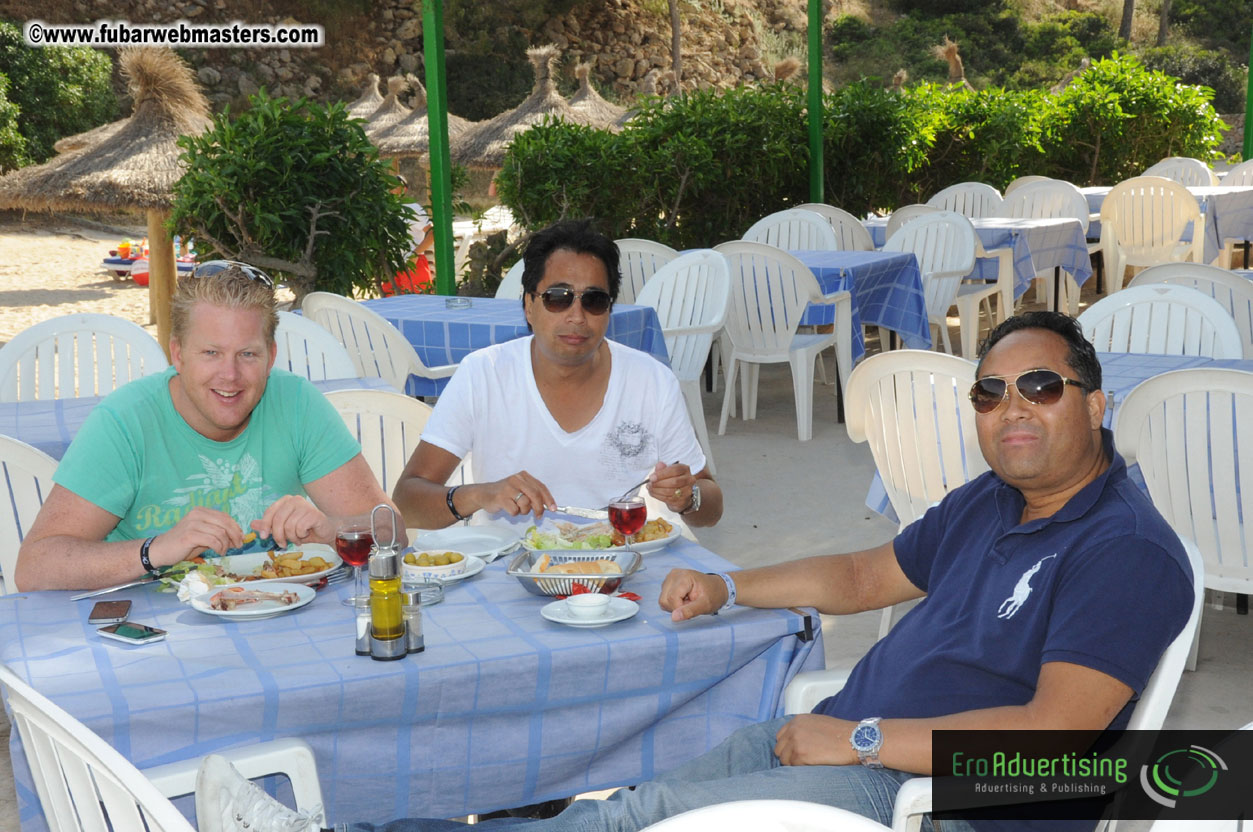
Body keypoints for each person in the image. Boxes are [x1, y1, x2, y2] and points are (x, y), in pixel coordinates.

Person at [229, 311, 1192, 832]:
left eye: (1040, 388)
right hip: (832, 742)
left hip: (921, 803)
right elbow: (863, 576)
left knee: (628, 829)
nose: (1010, 409)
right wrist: (730, 586)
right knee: (630, 807)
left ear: (1095, 404)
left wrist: (859, 740)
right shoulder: (996, 497)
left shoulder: (1125, 551)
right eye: (989, 392)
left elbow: (1052, 744)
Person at [15, 261, 403, 591]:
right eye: (211, 353)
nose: (230, 375)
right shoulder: (126, 421)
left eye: (247, 354)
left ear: (271, 357)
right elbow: (35, 567)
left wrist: (327, 529)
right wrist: (157, 550)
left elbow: (394, 530)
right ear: (178, 354)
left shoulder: (296, 403)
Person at [392, 218, 722, 531]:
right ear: (528, 306)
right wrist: (479, 494)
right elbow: (407, 501)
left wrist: (687, 496)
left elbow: (711, 504)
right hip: (511, 571)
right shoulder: (484, 375)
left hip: (623, 567)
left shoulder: (651, 381)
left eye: (594, 300)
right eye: (557, 298)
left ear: (609, 311)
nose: (577, 317)